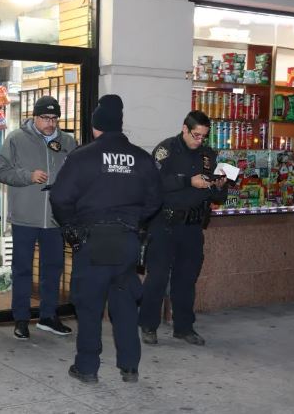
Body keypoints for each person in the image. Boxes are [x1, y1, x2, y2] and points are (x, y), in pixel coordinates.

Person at [49, 94, 162, 384]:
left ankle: (87, 368)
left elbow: (60, 198)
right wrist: (134, 221)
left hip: (92, 240)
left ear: (95, 126)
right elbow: (155, 200)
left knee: (89, 307)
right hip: (127, 241)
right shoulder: (141, 157)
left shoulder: (82, 157)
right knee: (124, 305)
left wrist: (71, 226)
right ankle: (129, 367)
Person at [138, 110, 228, 347]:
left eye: (203, 136)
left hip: (192, 226)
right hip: (164, 224)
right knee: (157, 277)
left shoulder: (208, 156)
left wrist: (219, 186)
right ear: (185, 129)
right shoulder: (166, 150)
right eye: (196, 135)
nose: (199, 140)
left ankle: (184, 327)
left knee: (186, 278)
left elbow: (219, 195)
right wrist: (187, 181)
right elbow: (153, 183)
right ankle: (148, 325)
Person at [0, 96, 77, 340]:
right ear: (35, 116)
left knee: (53, 269)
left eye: (54, 118)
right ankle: (20, 318)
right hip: (25, 218)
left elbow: (77, 175)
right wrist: (28, 176)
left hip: (55, 219)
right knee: (22, 269)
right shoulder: (16, 139)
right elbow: (0, 171)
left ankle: (48, 316)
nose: (50, 123)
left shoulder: (69, 142)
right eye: (45, 118)